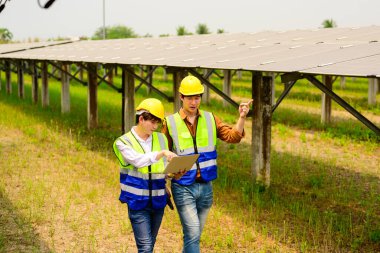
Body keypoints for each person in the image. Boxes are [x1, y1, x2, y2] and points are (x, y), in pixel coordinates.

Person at [162, 75, 253, 253]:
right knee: (194, 233)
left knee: (193, 236)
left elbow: (233, 137)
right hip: (183, 187)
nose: (194, 102)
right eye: (190, 98)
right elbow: (162, 155)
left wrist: (241, 117)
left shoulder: (211, 119)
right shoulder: (170, 123)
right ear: (181, 97)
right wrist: (163, 182)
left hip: (206, 187)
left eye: (197, 98)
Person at [113, 98, 177, 253]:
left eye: (158, 123)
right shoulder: (123, 142)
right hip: (138, 203)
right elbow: (138, 161)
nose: (155, 127)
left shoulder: (161, 138)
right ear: (141, 119)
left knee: (150, 245)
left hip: (158, 201)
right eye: (152, 122)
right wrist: (161, 153)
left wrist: (174, 172)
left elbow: (161, 169)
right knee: (146, 248)